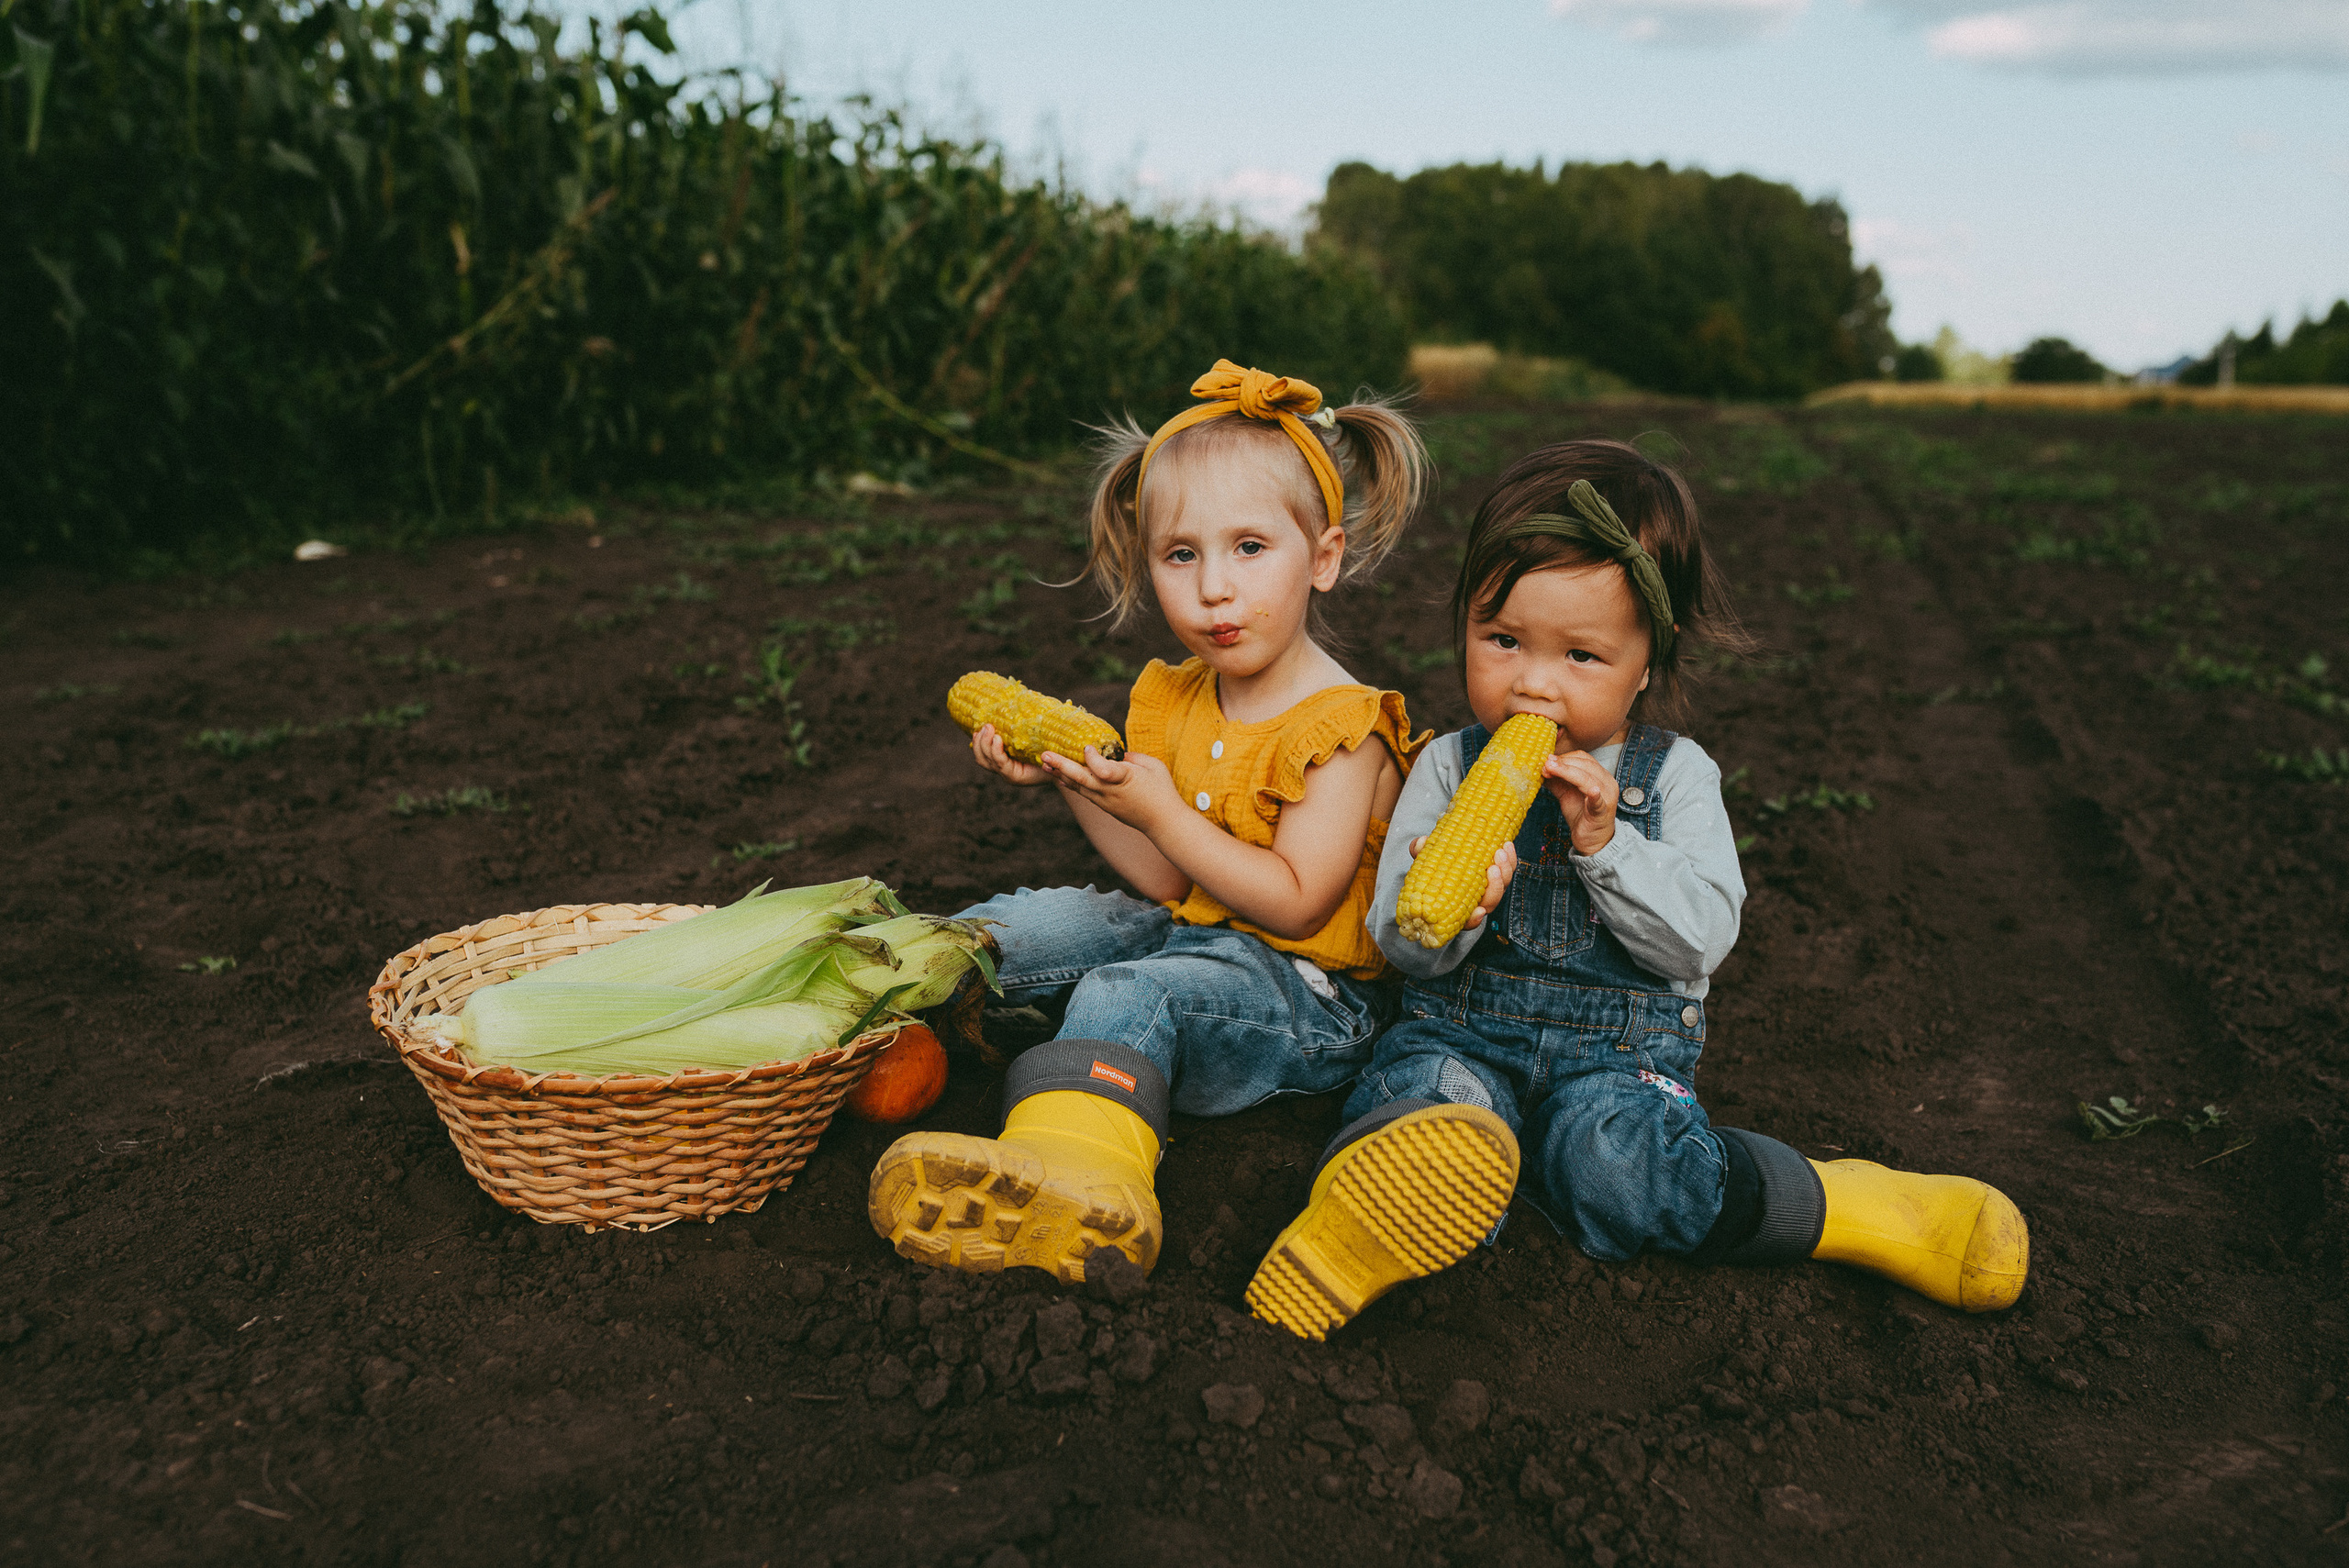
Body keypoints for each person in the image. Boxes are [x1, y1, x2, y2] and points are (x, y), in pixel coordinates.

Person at [1242, 439, 2031, 1340]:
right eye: (1501, 641)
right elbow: (1399, 941)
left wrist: (1607, 842)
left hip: (1615, 1059)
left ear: (1649, 660)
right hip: (1463, 1031)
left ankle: (1842, 1204)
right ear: (1463, 623)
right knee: (1422, 1093)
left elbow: (1697, 940)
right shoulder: (1445, 767)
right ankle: (1368, 1220)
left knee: (1615, 1162)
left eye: (1580, 655)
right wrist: (1448, 908)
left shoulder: (1678, 775)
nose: (1532, 681)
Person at [867, 360, 1432, 1285]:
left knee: (1135, 991)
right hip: (1198, 924)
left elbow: (1295, 903)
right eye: (1181, 554)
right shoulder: (1175, 695)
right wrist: (1072, 780)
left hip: (1312, 998)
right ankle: (854, 1004)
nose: (1214, 587)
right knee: (1031, 924)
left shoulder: (1343, 728)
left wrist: (1160, 805)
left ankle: (1082, 1173)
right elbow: (1167, 875)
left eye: (1249, 547)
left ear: (1322, 556)